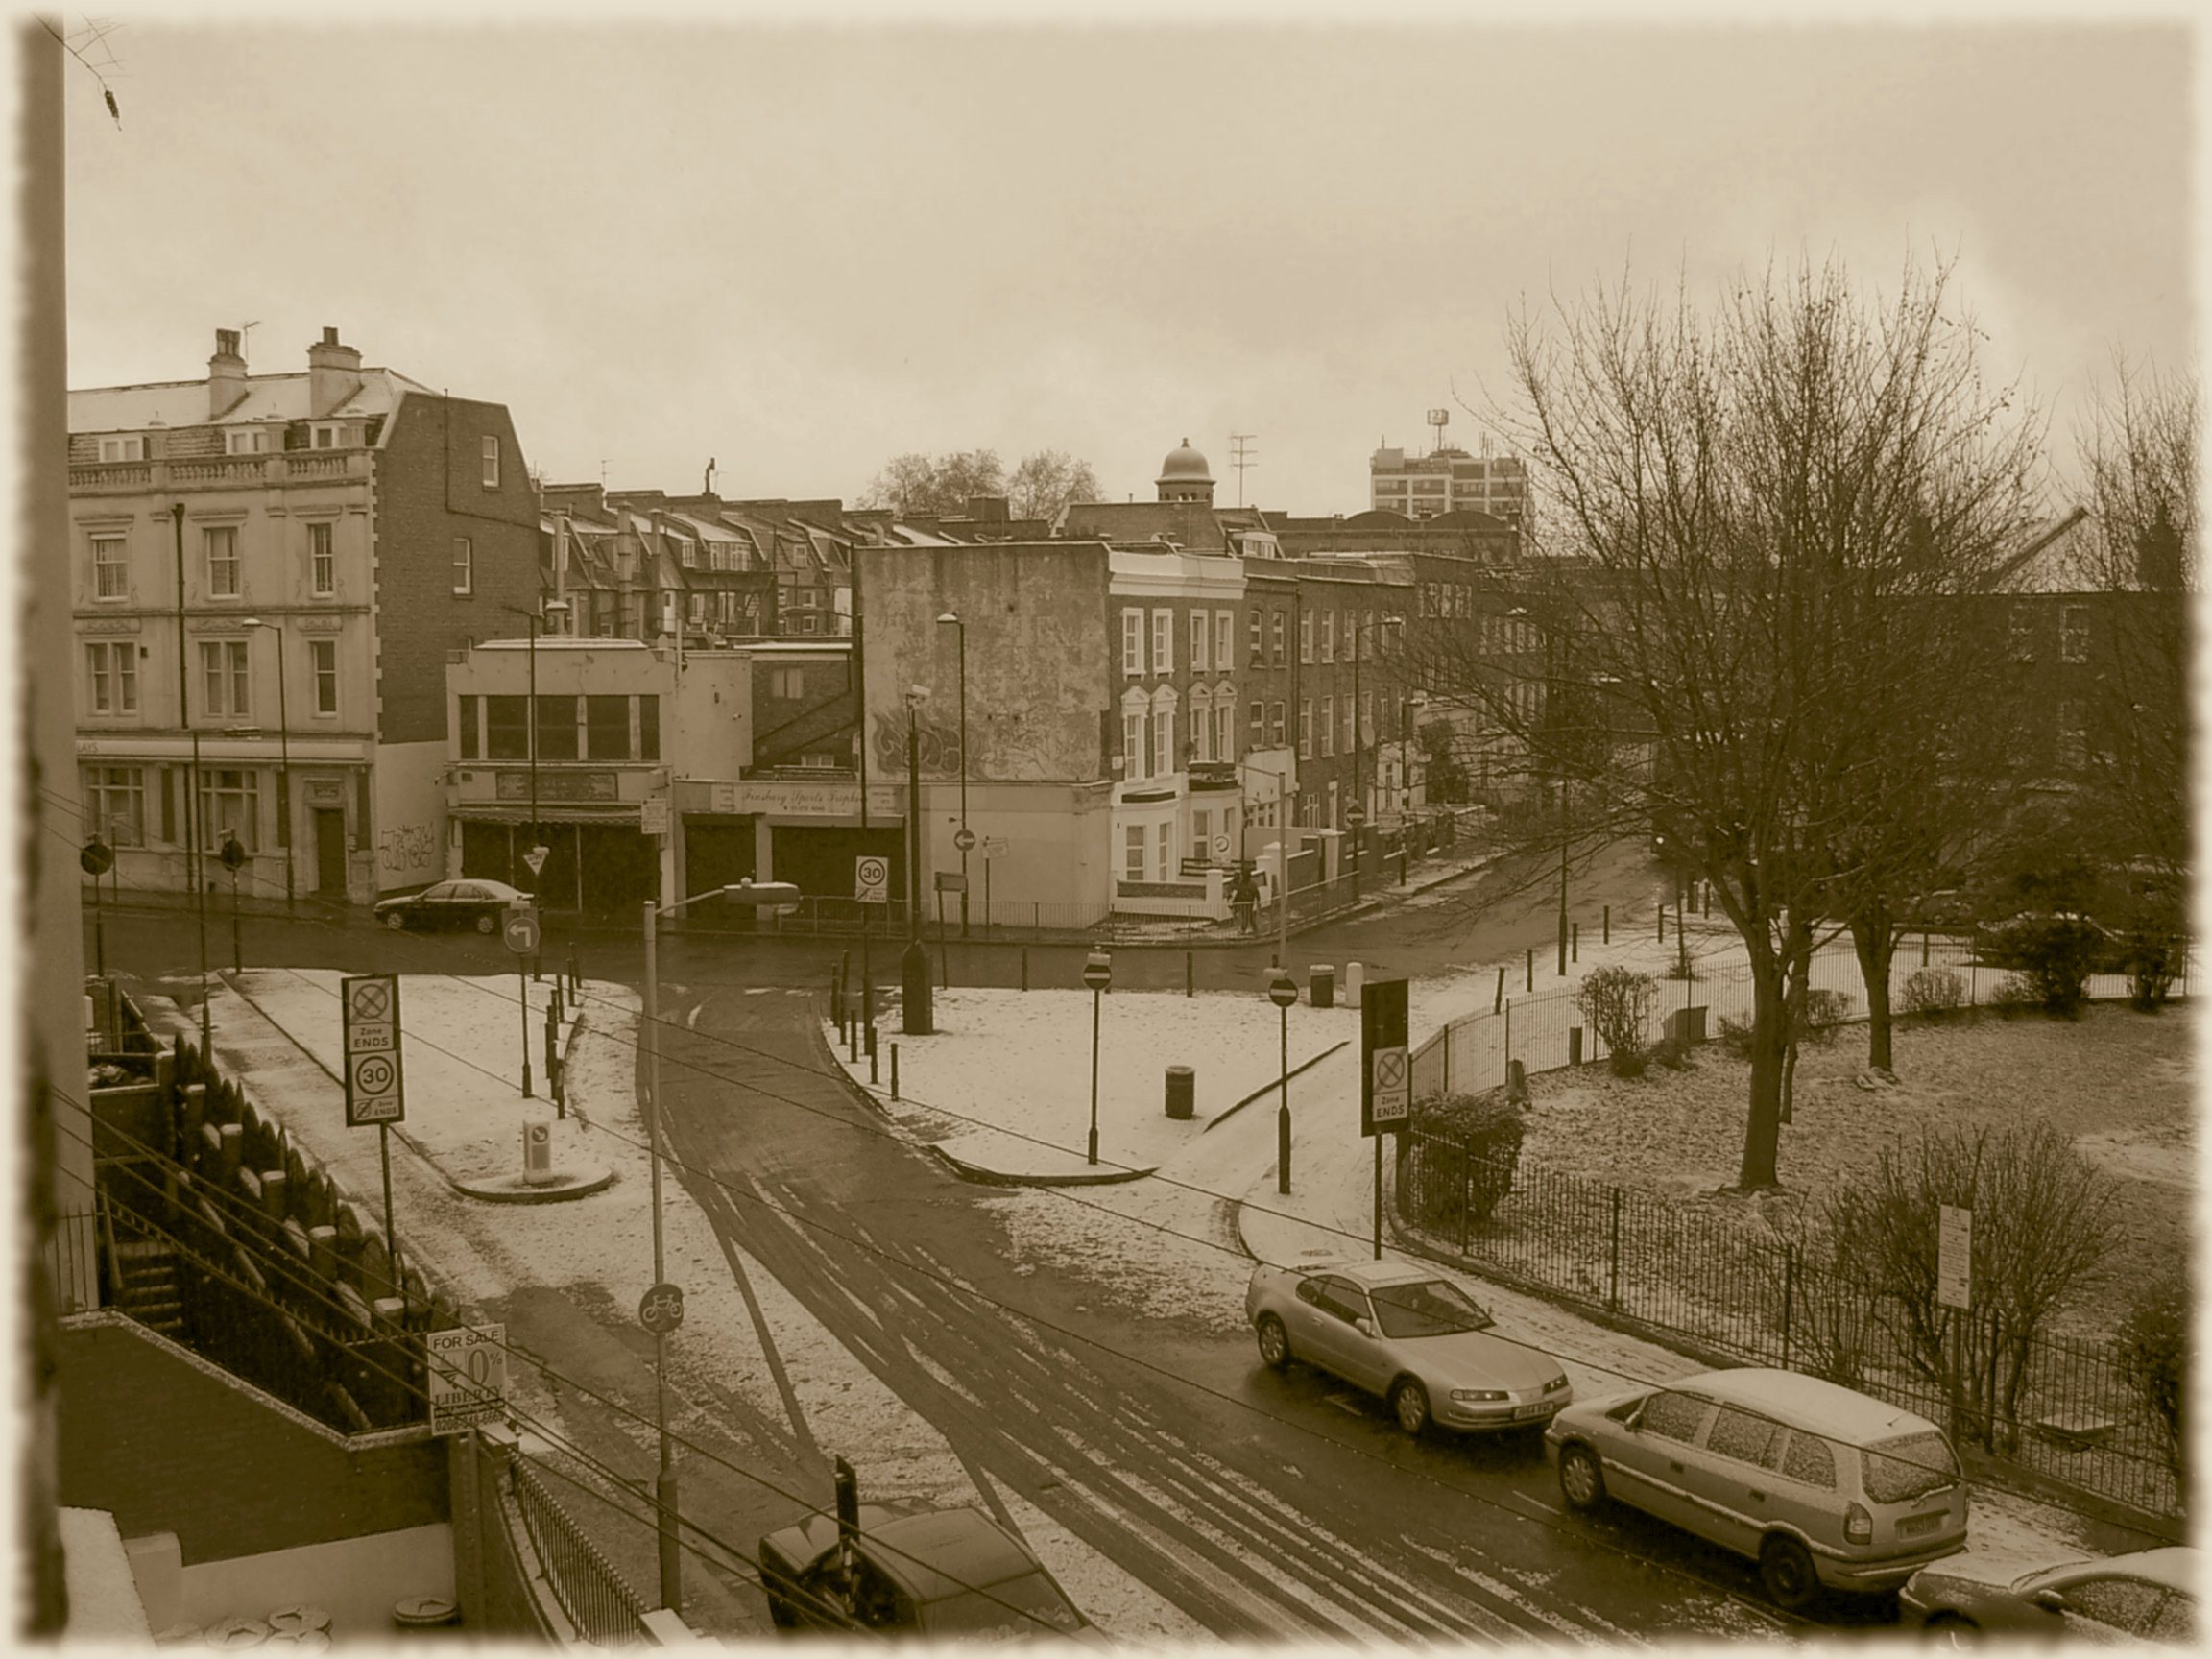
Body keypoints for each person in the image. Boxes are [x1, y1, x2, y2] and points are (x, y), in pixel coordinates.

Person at [1230, 865, 1260, 935]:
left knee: (1247, 914)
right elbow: (1238, 891)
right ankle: (1253, 927)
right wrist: (1234, 902)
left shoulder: (1252, 884)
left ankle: (1244, 928)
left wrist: (1258, 901)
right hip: (1242, 902)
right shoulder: (1241, 882)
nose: (1243, 877)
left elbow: (1256, 892)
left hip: (1249, 902)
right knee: (1248, 915)